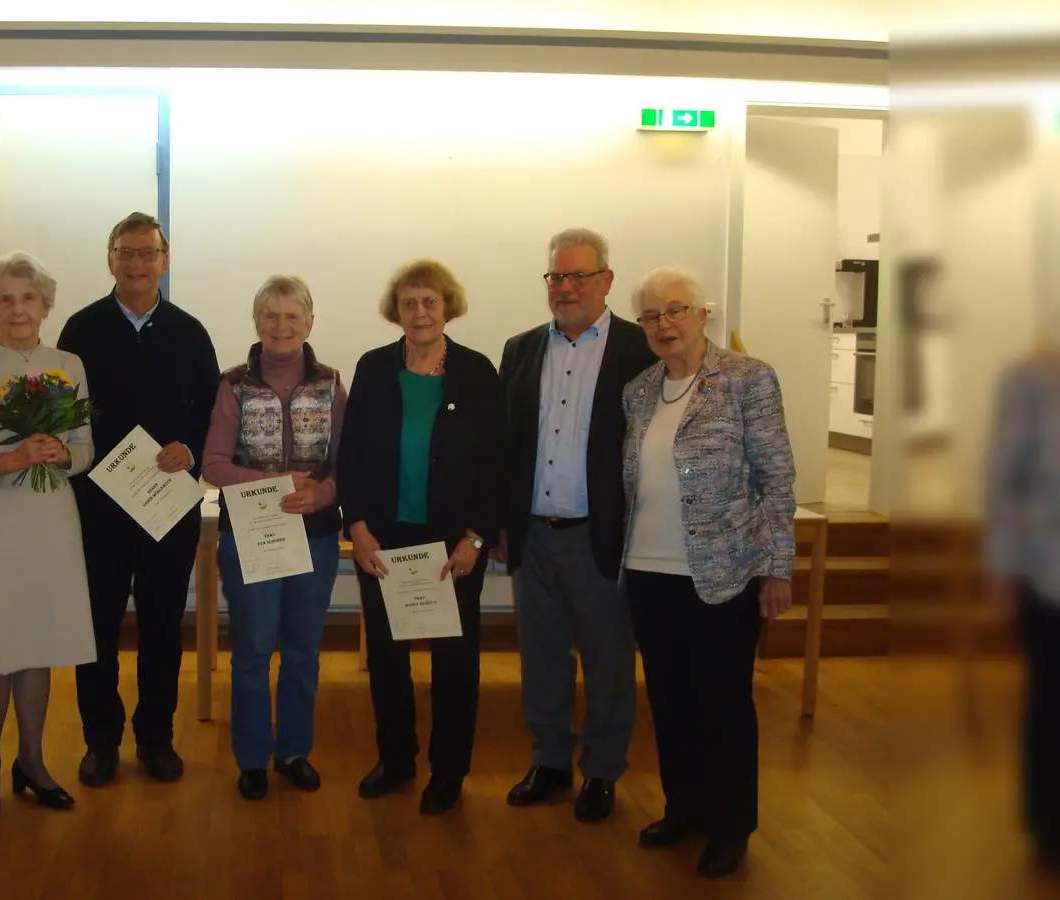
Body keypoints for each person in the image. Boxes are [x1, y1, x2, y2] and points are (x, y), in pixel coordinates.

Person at [619, 266, 795, 878]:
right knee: (669, 701)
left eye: (675, 310)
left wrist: (778, 566)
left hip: (724, 573)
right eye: (651, 315)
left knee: (722, 705)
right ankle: (684, 810)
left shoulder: (748, 379)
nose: (663, 324)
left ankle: (730, 825)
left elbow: (777, 478)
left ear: (702, 315)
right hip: (648, 569)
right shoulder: (639, 390)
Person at [496, 227, 656, 822]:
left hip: (601, 535)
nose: (565, 288)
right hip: (533, 534)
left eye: (578, 276)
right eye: (556, 277)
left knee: (608, 660)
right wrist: (502, 522)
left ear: (606, 281)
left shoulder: (640, 350)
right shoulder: (520, 349)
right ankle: (550, 762)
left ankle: (603, 771)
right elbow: (506, 446)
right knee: (542, 658)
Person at [337, 259, 506, 815]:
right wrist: (357, 527)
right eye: (409, 303)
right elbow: (352, 455)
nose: (420, 312)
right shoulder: (373, 368)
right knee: (387, 658)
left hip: (453, 543)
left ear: (447, 305)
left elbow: (495, 465)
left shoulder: (477, 372)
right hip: (385, 539)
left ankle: (449, 770)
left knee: (454, 661)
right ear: (396, 311)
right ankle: (396, 759)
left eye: (430, 301)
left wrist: (476, 539)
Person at [57, 212, 220, 786]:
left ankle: (156, 737)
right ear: (110, 260)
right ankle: (100, 741)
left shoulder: (190, 333)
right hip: (97, 509)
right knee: (96, 628)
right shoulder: (80, 331)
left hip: (166, 507)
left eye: (147, 252)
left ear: (164, 261)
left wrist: (190, 449)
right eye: (126, 252)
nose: (137, 263)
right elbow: (64, 415)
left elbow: (212, 414)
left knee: (161, 628)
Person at [0, 251, 95, 822]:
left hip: (50, 521)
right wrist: (10, 460)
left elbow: (85, 450)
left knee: (37, 647)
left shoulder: (68, 365)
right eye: (5, 299)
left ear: (46, 305)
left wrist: (62, 454)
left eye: (28, 298)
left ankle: (31, 761)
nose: (18, 309)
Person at [201, 275, 347, 801]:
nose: (281, 326)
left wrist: (323, 494)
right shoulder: (233, 384)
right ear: (257, 321)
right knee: (253, 650)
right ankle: (251, 758)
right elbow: (213, 465)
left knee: (303, 651)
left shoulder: (331, 383)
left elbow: (350, 461)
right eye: (271, 315)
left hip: (316, 537)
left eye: (292, 316)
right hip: (252, 537)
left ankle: (293, 752)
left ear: (309, 323)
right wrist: (271, 482)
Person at [984, 281, 1060, 876]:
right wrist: (1003, 566)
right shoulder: (1030, 385)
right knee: (1055, 699)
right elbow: (1003, 480)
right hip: (1053, 570)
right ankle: (1053, 824)